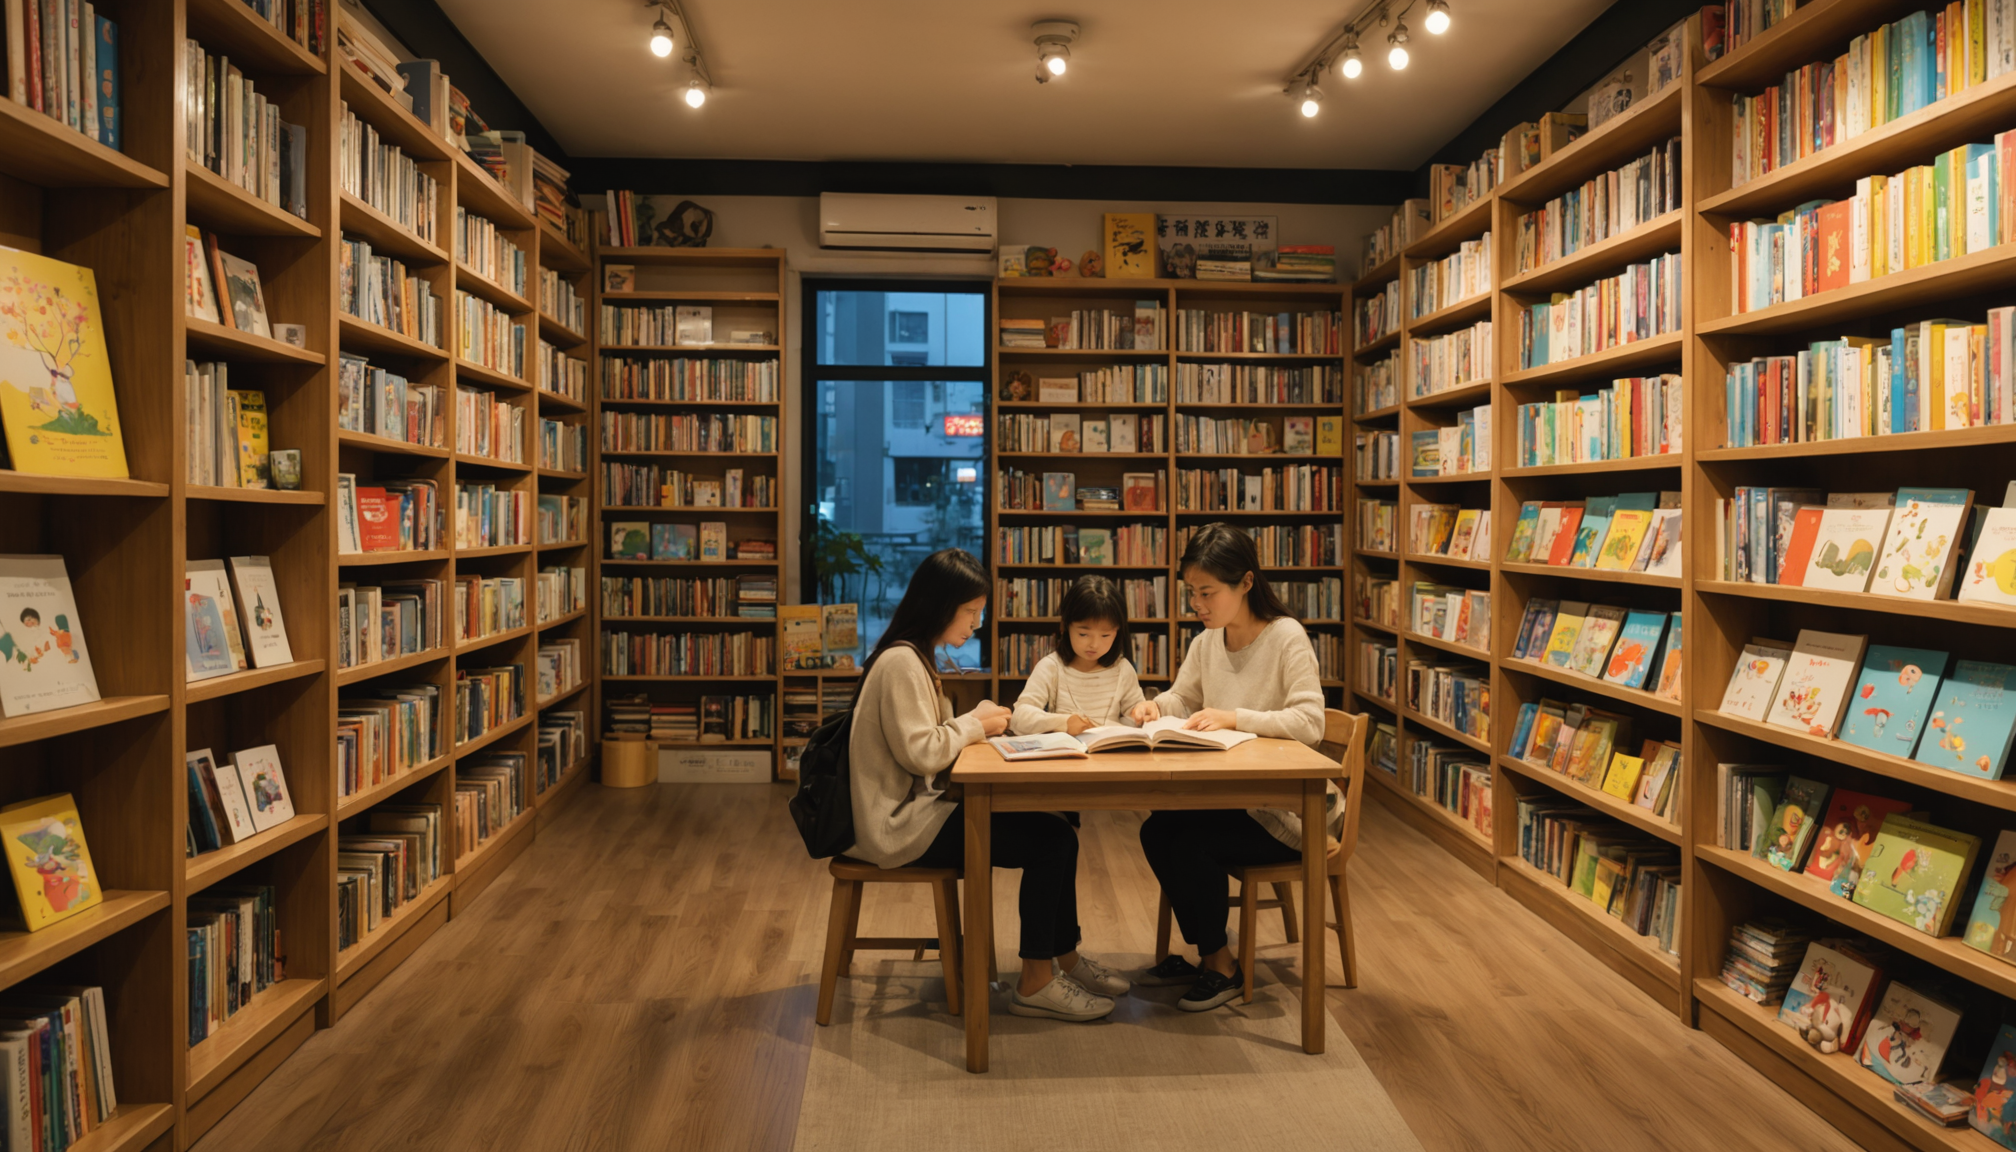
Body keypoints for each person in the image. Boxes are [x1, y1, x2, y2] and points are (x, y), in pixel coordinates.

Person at [845, 549, 1128, 1020]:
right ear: (940, 605)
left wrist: (973, 723)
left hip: (914, 810)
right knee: (1052, 841)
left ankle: (1065, 959)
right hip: (898, 825)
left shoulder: (912, 656)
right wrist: (975, 723)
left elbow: (926, 743)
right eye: (971, 611)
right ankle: (1036, 981)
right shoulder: (901, 664)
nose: (976, 624)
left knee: (1058, 831)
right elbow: (922, 752)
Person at [1129, 523, 1342, 1012]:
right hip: (1233, 798)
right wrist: (1156, 706)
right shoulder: (1209, 640)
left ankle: (1221, 966)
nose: (1197, 604)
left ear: (1246, 582)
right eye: (1191, 592)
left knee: (1190, 842)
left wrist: (1235, 717)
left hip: (1289, 812)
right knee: (1157, 830)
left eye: (1207, 593)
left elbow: (1310, 722)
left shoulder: (1286, 636)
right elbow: (1184, 697)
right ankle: (1211, 954)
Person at [1010, 574, 1146, 735]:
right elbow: (1019, 718)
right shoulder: (1051, 667)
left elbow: (1135, 717)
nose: (1094, 644)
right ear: (1066, 626)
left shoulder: (1122, 669)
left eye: (1105, 635)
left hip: (1109, 750)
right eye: (1083, 634)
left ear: (1117, 632)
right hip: (1066, 750)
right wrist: (1063, 722)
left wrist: (1141, 713)